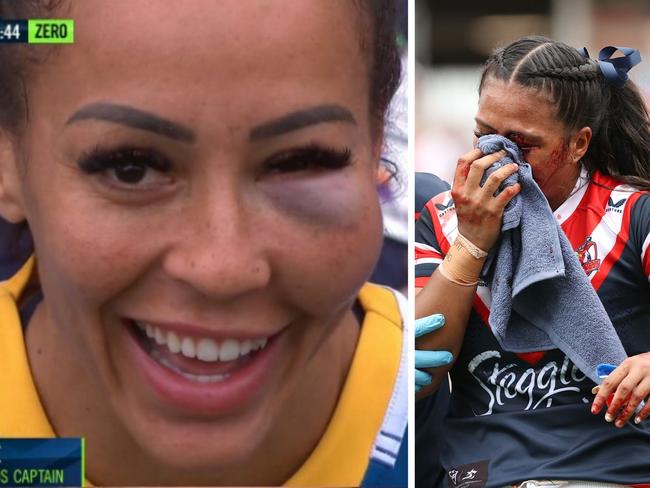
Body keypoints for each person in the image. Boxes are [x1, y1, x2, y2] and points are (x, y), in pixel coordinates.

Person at [0, 1, 407, 486]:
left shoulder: (436, 404)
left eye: (298, 162)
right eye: (131, 168)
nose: (222, 269)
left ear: (377, 148)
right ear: (7, 164)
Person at [415, 35, 650, 486]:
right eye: (483, 135)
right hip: (479, 474)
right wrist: (471, 245)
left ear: (579, 144)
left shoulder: (633, 215)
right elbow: (422, 368)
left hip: (610, 469)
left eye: (521, 145)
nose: (494, 158)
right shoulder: (439, 220)